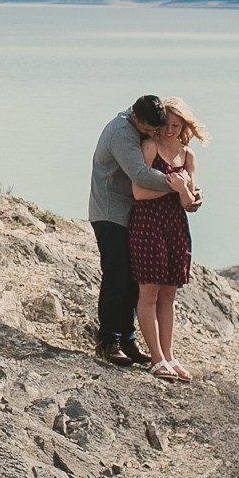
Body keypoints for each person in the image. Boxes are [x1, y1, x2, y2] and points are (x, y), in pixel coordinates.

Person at [88, 95, 196, 366]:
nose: (152, 135)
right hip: (110, 212)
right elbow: (140, 175)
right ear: (135, 118)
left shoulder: (142, 126)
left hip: (130, 214)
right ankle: (108, 341)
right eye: (149, 130)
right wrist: (179, 186)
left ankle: (128, 339)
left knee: (133, 279)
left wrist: (190, 192)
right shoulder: (121, 132)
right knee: (116, 277)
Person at [130, 96, 206, 381]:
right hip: (148, 224)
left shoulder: (188, 156)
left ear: (184, 125)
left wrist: (188, 195)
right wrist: (176, 189)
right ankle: (156, 358)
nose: (170, 130)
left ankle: (170, 356)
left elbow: (190, 203)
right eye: (166, 123)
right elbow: (138, 193)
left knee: (169, 295)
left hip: (176, 227)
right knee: (148, 294)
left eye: (177, 124)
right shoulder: (149, 147)